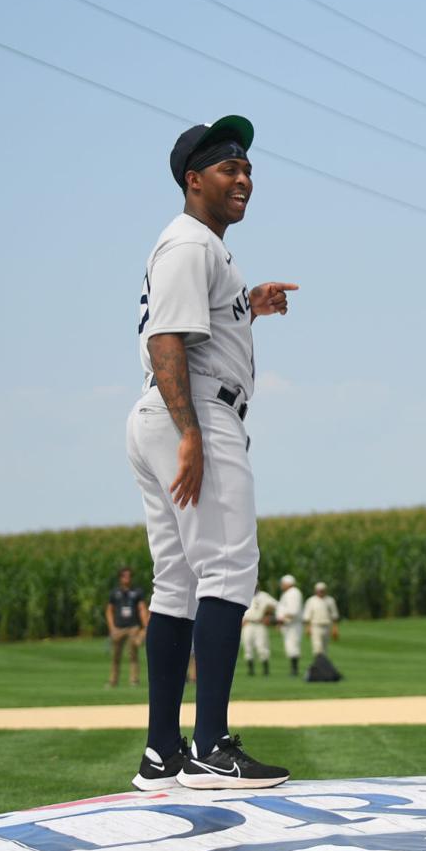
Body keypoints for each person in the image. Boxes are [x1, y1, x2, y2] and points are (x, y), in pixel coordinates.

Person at [125, 114, 294, 791]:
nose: (243, 177)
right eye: (229, 167)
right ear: (193, 180)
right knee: (229, 569)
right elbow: (167, 339)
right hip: (192, 410)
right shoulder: (190, 242)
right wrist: (191, 432)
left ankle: (162, 750)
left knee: (178, 583)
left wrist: (247, 307)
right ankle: (211, 745)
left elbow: (194, 325)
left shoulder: (198, 248)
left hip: (164, 412)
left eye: (247, 167)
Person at [105, 567, 149, 687]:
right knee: (116, 656)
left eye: (129, 576)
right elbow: (109, 611)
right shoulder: (115, 593)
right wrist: (112, 627)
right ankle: (113, 680)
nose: (127, 578)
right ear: (120, 578)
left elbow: (142, 609)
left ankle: (134, 680)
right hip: (118, 628)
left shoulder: (137, 592)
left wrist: (145, 626)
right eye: (124, 576)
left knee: (133, 654)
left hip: (132, 627)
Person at [241, 583, 277, 676]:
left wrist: (268, 615)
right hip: (248, 624)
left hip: (259, 623)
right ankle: (251, 669)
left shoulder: (264, 596)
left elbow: (275, 605)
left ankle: (265, 669)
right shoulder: (244, 595)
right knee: (247, 645)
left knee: (262, 646)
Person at [276, 573, 304, 676]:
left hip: (292, 625)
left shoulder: (293, 593)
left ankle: (294, 670)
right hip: (288, 625)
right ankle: (293, 669)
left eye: (282, 583)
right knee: (290, 647)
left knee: (293, 647)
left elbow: (293, 611)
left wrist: (282, 620)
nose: (281, 585)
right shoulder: (288, 593)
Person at [303, 581, 341, 656]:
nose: (321, 592)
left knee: (325, 648)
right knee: (317, 648)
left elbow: (334, 615)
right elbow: (307, 616)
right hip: (315, 626)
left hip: (327, 626)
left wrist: (335, 628)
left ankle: (323, 665)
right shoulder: (311, 601)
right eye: (319, 590)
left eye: (322, 590)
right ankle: (318, 664)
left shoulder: (330, 600)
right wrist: (308, 627)